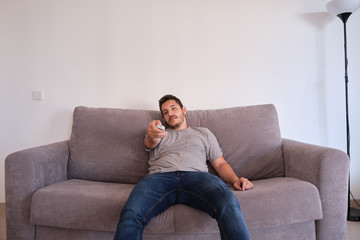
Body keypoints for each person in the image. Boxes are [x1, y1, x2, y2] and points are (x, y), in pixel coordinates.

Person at [114, 94, 253, 240]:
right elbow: (151, 140)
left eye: (173, 108)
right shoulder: (159, 133)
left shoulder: (203, 133)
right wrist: (152, 132)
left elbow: (220, 163)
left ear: (184, 110)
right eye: (165, 112)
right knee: (131, 214)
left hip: (198, 178)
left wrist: (235, 180)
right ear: (163, 119)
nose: (170, 114)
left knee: (228, 203)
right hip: (159, 178)